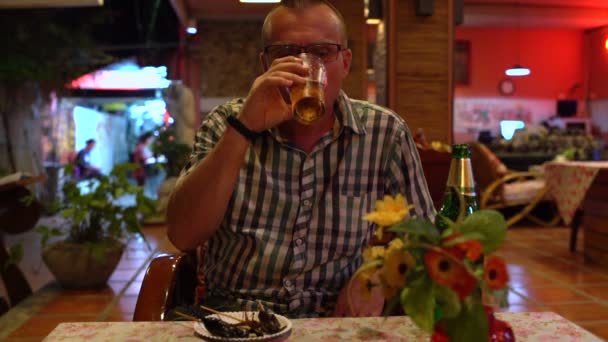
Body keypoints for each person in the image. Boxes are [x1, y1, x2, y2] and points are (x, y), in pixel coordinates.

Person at [167, 0, 435, 318]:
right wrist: (243, 129)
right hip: (234, 316)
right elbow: (183, 235)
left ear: (345, 63)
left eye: (322, 53)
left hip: (334, 319)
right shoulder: (226, 123)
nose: (306, 67)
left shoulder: (385, 133)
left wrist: (375, 279)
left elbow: (427, 241)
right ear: (266, 64)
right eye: (287, 53)